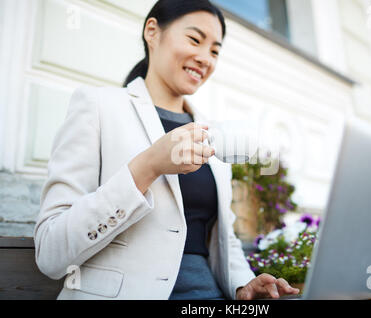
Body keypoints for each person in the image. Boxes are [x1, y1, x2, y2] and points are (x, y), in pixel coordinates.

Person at [34, 0, 299, 300]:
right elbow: (50, 251)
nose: (205, 58)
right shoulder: (98, 106)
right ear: (153, 32)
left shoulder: (210, 132)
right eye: (195, 40)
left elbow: (222, 239)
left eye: (214, 51)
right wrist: (147, 167)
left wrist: (243, 284)